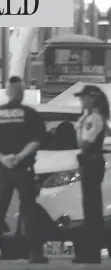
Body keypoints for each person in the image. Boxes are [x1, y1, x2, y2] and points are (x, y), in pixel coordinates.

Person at [0, 76, 48, 263]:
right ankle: (34, 254)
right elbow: (37, 140)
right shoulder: (30, 114)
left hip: (2, 170)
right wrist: (19, 157)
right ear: (20, 93)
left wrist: (4, 158)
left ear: (7, 92)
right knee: (29, 210)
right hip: (24, 169)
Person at [73, 85, 110, 264]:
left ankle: (92, 252)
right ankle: (91, 250)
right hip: (92, 163)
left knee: (92, 208)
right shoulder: (92, 116)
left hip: (91, 163)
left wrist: (79, 128)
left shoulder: (93, 118)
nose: (82, 100)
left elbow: (84, 144)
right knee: (91, 207)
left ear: (92, 98)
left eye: (84, 97)